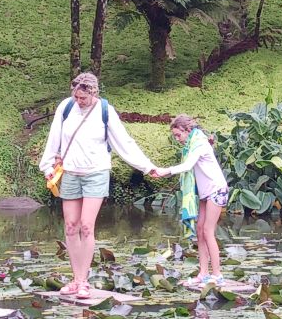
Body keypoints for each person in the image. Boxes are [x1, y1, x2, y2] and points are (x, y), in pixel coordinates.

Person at [39, 72, 156, 299]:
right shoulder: (66, 107)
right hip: (71, 172)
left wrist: (146, 166)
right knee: (70, 226)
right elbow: (54, 138)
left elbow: (124, 143)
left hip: (96, 173)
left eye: (82, 98)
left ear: (93, 93)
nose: (78, 101)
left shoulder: (105, 111)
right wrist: (48, 167)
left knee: (85, 226)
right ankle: (75, 279)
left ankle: (83, 281)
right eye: (75, 96)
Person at [152, 115, 229, 288]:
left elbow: (187, 166)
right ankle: (203, 273)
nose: (177, 139)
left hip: (216, 190)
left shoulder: (199, 143)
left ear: (187, 130)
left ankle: (217, 275)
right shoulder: (191, 145)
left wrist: (165, 171)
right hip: (204, 192)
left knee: (208, 231)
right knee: (200, 230)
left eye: (178, 135)